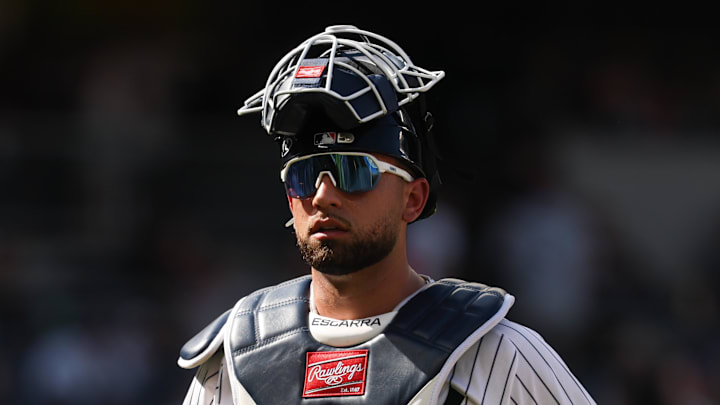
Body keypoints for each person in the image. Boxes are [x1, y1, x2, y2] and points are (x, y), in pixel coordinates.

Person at [177, 25, 596, 405]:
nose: (323, 196)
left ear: (412, 199)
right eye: (303, 176)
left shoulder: (496, 354)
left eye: (353, 171)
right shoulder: (231, 361)